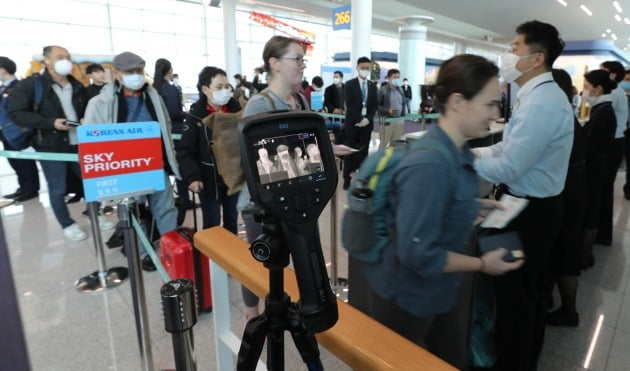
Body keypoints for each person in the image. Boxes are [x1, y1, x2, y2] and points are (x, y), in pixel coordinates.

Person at [363, 54, 523, 369]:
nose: (495, 113)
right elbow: (417, 252)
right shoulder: (430, 163)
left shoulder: (456, 151)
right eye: (490, 104)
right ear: (458, 102)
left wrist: (476, 204)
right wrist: (481, 263)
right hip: (406, 301)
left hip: (437, 290)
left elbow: (438, 204)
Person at [473, 21, 573, 370]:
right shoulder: (535, 96)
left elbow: (510, 166)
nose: (508, 53)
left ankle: (515, 361)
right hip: (526, 205)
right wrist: (473, 154)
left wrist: (459, 164)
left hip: (531, 213)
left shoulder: (543, 102)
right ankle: (520, 353)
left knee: (517, 293)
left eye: (515, 47)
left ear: (536, 58)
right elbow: (508, 150)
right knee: (523, 289)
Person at [84, 51, 181, 271]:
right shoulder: (101, 102)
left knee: (166, 209)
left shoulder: (153, 96)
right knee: (134, 212)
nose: (136, 76)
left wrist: (170, 156)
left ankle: (171, 248)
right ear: (117, 73)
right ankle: (145, 253)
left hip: (156, 163)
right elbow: (92, 139)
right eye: (130, 72)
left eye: (139, 71)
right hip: (126, 167)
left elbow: (164, 125)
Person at [237, 35, 310, 320]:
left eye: (303, 59)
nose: (302, 65)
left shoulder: (300, 99)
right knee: (259, 267)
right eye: (297, 58)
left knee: (289, 264)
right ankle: (252, 316)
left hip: (294, 196)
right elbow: (254, 161)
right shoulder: (260, 104)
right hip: (262, 204)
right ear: (275, 63)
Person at [8, 45, 94, 241]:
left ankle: (95, 213)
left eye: (68, 57)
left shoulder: (78, 85)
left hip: (79, 144)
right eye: (59, 57)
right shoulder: (32, 85)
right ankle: (67, 224)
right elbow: (16, 113)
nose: (65, 61)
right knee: (58, 187)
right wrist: (51, 123)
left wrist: (84, 119)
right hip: (50, 146)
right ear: (46, 60)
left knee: (91, 182)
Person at [545, 69, 587, 327]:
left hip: (567, 196)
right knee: (563, 252)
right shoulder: (567, 117)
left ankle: (569, 311)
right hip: (574, 192)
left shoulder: (559, 119)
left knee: (564, 254)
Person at [177, 66, 241, 232]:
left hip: (233, 178)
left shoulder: (237, 112)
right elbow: (185, 151)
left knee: (231, 220)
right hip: (208, 180)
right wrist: (192, 177)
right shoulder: (196, 116)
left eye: (227, 86)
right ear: (205, 89)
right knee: (212, 223)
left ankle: (229, 256)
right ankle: (211, 258)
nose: (225, 91)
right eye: (219, 87)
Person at [579, 70, 617, 269]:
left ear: (598, 88)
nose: (584, 91)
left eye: (586, 87)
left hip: (594, 168)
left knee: (591, 210)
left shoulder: (603, 112)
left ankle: (585, 255)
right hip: (597, 165)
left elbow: (588, 144)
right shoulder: (602, 109)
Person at [153, 58, 192, 215]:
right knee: (180, 164)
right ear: (169, 70)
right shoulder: (169, 89)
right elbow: (174, 113)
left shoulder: (154, 89)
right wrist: (186, 114)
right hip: (174, 131)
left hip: (160, 133)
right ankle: (184, 198)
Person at [0, 56, 40, 202]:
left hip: (19, 132)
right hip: (6, 133)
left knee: (25, 163)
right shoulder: (3, 88)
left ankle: (31, 190)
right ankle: (23, 187)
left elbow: (25, 110)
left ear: (3, 70)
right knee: (15, 162)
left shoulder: (20, 86)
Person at [597, 61, 628, 244]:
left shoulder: (613, 93)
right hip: (615, 142)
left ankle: (603, 234)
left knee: (604, 188)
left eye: (603, 72)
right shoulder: (617, 92)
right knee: (605, 189)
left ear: (613, 74)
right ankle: (603, 233)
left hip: (612, 144)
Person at [342, 56, 378, 190]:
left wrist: (367, 119)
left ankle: (363, 178)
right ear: (357, 68)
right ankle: (347, 178)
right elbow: (349, 104)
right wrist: (359, 119)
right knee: (349, 151)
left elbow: (374, 105)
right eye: (363, 68)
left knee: (364, 151)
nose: (365, 70)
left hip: (366, 125)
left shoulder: (372, 86)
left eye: (367, 68)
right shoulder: (350, 84)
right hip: (353, 123)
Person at [377, 68, 406, 149]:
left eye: (398, 77)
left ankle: (392, 160)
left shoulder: (400, 89)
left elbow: (403, 103)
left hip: (399, 121)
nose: (397, 79)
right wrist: (388, 110)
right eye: (394, 77)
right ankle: (380, 159)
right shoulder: (383, 90)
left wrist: (403, 116)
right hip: (387, 121)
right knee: (384, 143)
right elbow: (376, 106)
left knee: (396, 144)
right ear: (389, 78)